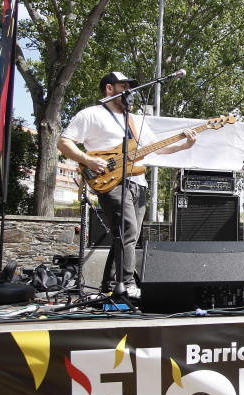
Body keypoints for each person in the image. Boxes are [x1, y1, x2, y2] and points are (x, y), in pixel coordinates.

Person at [58, 71, 197, 299]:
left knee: (125, 235)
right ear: (109, 89)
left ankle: (111, 285)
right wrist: (87, 159)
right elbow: (63, 142)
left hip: (138, 183)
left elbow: (155, 148)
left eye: (129, 87)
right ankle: (127, 283)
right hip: (111, 181)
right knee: (128, 231)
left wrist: (184, 145)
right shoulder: (91, 115)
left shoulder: (135, 120)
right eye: (123, 86)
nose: (128, 91)